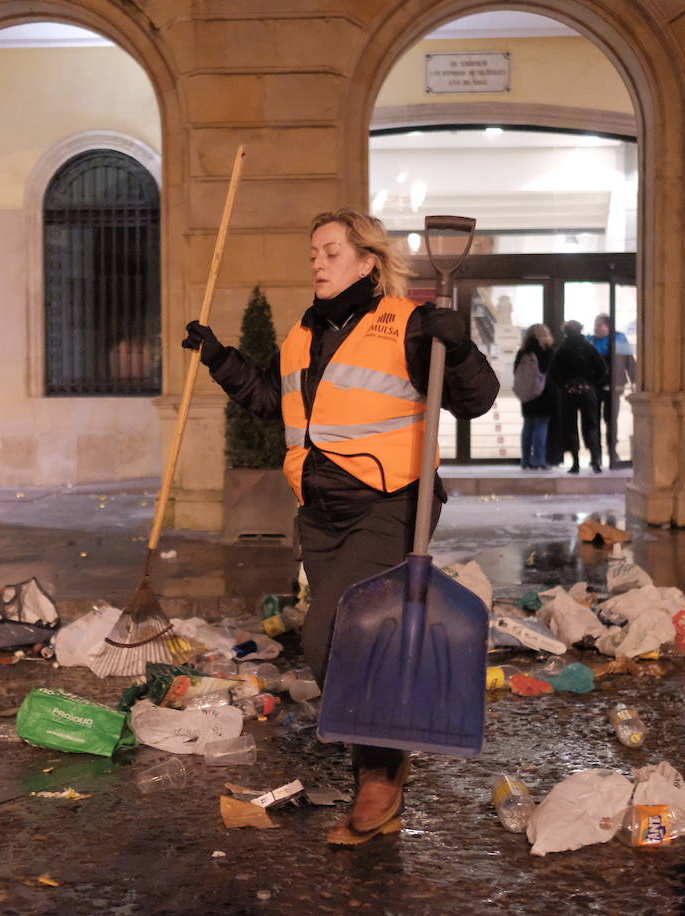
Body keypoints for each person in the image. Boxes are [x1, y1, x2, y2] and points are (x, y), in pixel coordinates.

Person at [182, 207, 498, 845]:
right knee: (333, 636)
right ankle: (382, 757)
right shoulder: (305, 332)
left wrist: (459, 347)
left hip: (391, 503)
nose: (317, 263)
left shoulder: (410, 325)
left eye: (329, 252)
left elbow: (476, 399)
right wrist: (220, 358)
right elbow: (273, 399)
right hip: (322, 513)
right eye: (314, 254)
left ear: (367, 261)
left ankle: (381, 772)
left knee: (333, 630)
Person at [549, 319, 606, 474]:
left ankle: (575, 464)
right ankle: (595, 461)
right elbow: (602, 368)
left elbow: (552, 373)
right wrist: (591, 384)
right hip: (587, 391)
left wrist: (563, 385)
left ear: (565, 332)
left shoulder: (562, 350)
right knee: (591, 425)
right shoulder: (589, 348)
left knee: (570, 427)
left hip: (568, 393)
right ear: (580, 330)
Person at [588, 313, 637, 465]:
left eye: (599, 324)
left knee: (611, 420)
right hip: (593, 387)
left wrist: (634, 381)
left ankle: (612, 452)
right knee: (593, 421)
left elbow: (630, 362)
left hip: (614, 387)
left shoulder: (620, 339)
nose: (596, 327)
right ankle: (595, 456)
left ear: (608, 326)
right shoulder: (590, 341)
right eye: (595, 324)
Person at [513, 323, 556, 470]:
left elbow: (516, 372)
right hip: (544, 393)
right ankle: (538, 460)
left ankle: (525, 461)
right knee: (541, 426)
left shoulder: (522, 352)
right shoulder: (548, 351)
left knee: (528, 426)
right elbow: (550, 373)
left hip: (527, 393)